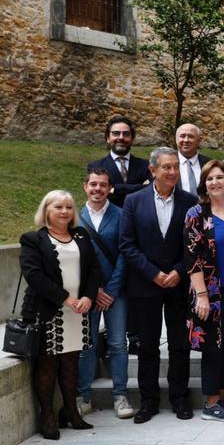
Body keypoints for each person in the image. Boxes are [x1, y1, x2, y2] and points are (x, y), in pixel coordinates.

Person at [119, 147, 199, 424]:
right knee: (148, 346)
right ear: (152, 170)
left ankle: (180, 398)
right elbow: (127, 244)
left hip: (178, 284)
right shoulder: (133, 201)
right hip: (145, 285)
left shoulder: (190, 201)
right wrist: (153, 274)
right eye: (167, 167)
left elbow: (193, 243)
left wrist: (178, 271)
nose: (173, 172)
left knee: (179, 345)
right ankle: (149, 401)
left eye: (176, 167)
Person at [21, 190, 101, 439]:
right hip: (49, 311)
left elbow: (93, 269)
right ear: (46, 211)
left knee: (71, 363)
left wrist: (88, 296)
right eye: (58, 207)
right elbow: (34, 276)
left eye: (68, 207)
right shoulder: (33, 239)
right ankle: (47, 415)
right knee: (48, 365)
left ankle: (71, 411)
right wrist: (66, 299)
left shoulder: (81, 235)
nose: (64, 211)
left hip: (78, 311)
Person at [183, 160, 224, 422]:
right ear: (204, 184)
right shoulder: (197, 213)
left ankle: (222, 395)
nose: (215, 183)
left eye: (220, 177)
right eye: (209, 179)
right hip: (210, 292)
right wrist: (201, 296)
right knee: (213, 347)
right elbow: (192, 257)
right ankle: (211, 403)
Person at [76, 169, 134, 420]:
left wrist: (110, 290)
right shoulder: (75, 218)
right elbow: (76, 258)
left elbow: (125, 254)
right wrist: (94, 290)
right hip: (88, 293)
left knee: (118, 344)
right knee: (86, 344)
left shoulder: (120, 216)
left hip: (115, 292)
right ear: (85, 187)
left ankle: (120, 395)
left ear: (110, 188)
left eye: (102, 185)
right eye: (93, 184)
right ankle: (83, 396)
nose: (97, 189)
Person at [87, 116, 151, 208]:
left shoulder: (146, 166)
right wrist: (139, 187)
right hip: (109, 218)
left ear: (132, 139)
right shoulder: (95, 167)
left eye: (126, 134)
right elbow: (97, 195)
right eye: (116, 133)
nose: (121, 137)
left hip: (139, 219)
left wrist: (115, 188)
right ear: (108, 138)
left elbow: (150, 191)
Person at [176, 123, 212, 195]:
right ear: (176, 139)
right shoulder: (167, 164)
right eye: (182, 136)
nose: (186, 140)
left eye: (191, 136)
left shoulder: (209, 164)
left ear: (199, 140)